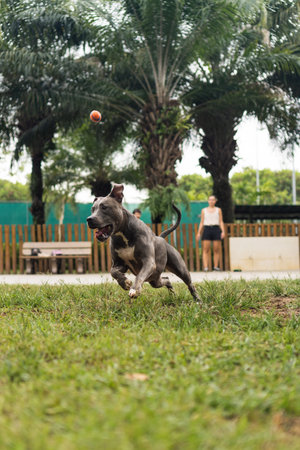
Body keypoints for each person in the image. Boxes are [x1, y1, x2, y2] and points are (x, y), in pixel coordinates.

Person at [196, 195, 225, 272]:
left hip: (216, 229)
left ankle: (215, 267)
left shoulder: (218, 210)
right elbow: (201, 222)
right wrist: (199, 233)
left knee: (216, 249)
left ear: (215, 201)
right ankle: (205, 267)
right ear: (208, 201)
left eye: (213, 200)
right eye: (210, 200)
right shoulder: (204, 210)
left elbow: (221, 221)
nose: (211, 201)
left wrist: (223, 231)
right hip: (207, 229)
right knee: (206, 249)